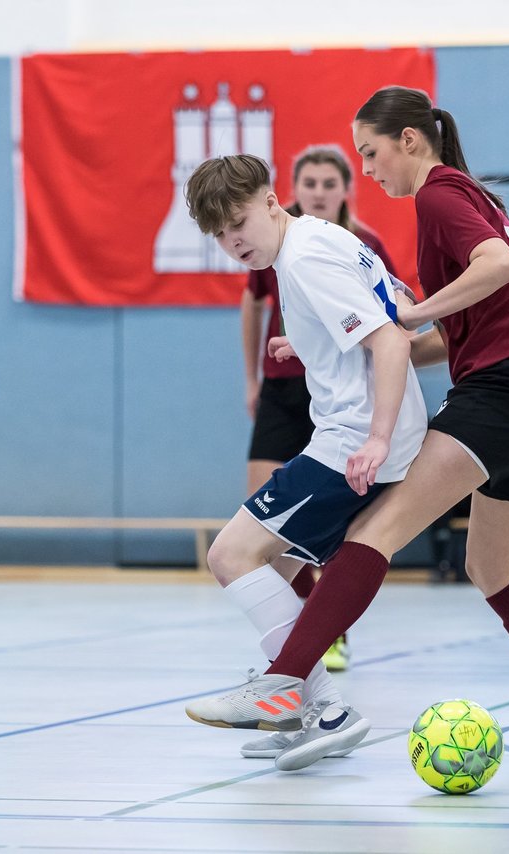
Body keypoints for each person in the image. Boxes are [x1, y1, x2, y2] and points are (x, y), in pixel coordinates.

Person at [187, 86, 509, 758]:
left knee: (374, 531)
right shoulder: (452, 198)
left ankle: (285, 688)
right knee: (492, 566)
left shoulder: (438, 194)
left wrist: (412, 318)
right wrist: (339, 340)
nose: (367, 169)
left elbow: (496, 268)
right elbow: (455, 331)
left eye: (370, 153)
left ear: (410, 141)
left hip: (507, 390)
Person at [182, 153, 429, 771]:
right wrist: (313, 340)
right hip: (361, 427)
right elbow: (385, 308)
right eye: (218, 233)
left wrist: (375, 438)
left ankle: (303, 696)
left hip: (354, 437)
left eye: (238, 221)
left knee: (231, 554)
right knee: (285, 562)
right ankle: (314, 707)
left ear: (271, 200)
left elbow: (393, 339)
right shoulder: (322, 238)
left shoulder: (305, 257)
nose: (232, 240)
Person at [241, 145, 397, 673]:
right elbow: (258, 306)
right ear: (294, 189)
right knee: (262, 525)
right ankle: (297, 652)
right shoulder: (276, 247)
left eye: (330, 183)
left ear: (345, 189)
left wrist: (379, 435)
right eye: (310, 183)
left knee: (251, 547)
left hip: (346, 410)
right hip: (289, 389)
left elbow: (390, 330)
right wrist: (261, 371)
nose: (319, 192)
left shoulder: (326, 247)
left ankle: (309, 651)